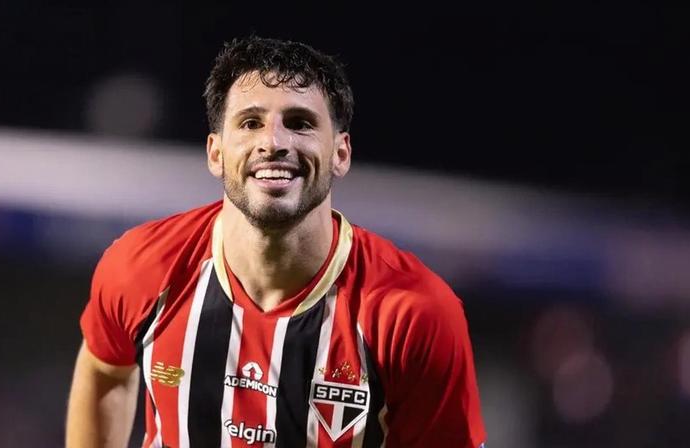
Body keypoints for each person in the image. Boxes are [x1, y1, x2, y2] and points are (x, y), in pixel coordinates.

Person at [66, 35, 487, 448]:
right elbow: (104, 372)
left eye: (300, 123)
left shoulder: (415, 312)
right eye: (250, 123)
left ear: (341, 153)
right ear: (215, 153)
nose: (273, 142)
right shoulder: (143, 266)